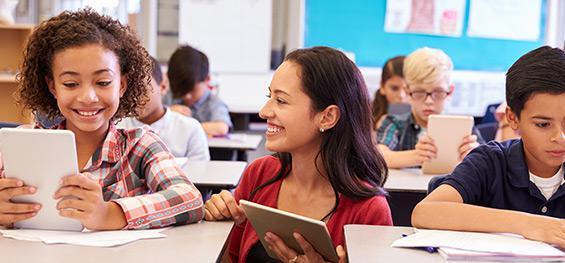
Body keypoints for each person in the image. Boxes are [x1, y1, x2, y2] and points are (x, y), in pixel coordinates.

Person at [0, 9, 203, 230]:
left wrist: (111, 213)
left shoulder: (140, 146)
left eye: (103, 82)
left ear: (122, 86)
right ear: (53, 87)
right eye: (70, 84)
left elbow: (189, 199)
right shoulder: (25, 143)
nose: (88, 97)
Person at [204, 46, 392, 263]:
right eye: (269, 96)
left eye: (281, 101)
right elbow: (233, 258)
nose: (264, 111)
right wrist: (220, 222)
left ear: (327, 117)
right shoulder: (260, 174)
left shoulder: (369, 211)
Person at [412, 46, 565, 249]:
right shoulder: (490, 161)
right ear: (513, 118)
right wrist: (528, 223)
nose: (560, 137)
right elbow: (425, 213)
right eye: (543, 124)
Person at [377, 47, 482, 169]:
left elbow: (488, 162)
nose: (428, 101)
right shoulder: (394, 123)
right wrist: (416, 156)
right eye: (419, 92)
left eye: (438, 92)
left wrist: (475, 155)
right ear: (408, 91)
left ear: (450, 92)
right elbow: (379, 156)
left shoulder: (464, 127)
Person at [117, 56, 210, 161]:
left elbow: (200, 174)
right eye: (129, 91)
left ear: (163, 86)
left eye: (142, 90)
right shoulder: (115, 129)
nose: (134, 97)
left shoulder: (190, 129)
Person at [167, 45, 233, 136]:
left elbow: (221, 128)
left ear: (207, 79)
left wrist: (182, 127)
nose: (187, 96)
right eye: (182, 90)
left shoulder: (213, 102)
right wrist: (167, 113)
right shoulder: (169, 96)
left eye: (192, 90)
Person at [371, 56, 408, 130]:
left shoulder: (426, 116)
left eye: (407, 89)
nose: (401, 95)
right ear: (382, 86)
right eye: (394, 88)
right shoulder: (367, 118)